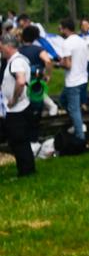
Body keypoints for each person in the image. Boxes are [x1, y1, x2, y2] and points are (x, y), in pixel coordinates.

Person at [1, 33, 36, 176]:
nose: (1, 50)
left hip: (16, 109)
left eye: (1, 47)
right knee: (19, 141)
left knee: (19, 141)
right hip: (19, 108)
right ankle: (27, 170)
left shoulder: (16, 62)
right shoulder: (20, 59)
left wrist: (14, 98)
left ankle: (26, 172)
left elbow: (20, 81)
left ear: (8, 47)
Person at [56, 18, 89, 142]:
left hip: (72, 81)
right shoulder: (82, 41)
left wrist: (59, 64)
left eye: (60, 28)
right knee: (63, 100)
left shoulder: (66, 43)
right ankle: (77, 125)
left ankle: (80, 137)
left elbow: (68, 65)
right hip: (83, 79)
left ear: (65, 29)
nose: (59, 30)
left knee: (74, 110)